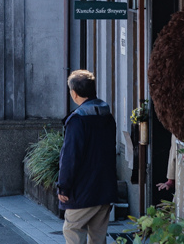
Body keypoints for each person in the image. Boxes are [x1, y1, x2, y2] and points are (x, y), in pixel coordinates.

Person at [57, 70, 116, 244]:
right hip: (104, 187)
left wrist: (63, 187)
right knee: (98, 237)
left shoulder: (77, 120)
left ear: (74, 93)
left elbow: (70, 157)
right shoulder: (106, 115)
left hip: (82, 191)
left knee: (72, 230)